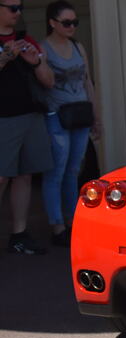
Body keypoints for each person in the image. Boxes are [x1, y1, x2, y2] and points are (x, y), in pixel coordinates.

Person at [41, 0, 99, 247]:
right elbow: (44, 83)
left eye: (75, 22)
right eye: (66, 22)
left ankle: (72, 220)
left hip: (81, 114)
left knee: (74, 169)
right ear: (52, 23)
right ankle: (56, 226)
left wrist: (96, 115)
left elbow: (88, 81)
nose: (72, 26)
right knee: (57, 170)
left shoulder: (78, 46)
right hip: (58, 114)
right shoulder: (43, 48)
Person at [0, 0, 55, 254]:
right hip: (3, 118)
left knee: (25, 174)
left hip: (31, 115)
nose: (18, 13)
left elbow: (49, 81)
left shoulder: (27, 40)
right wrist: (3, 59)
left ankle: (19, 234)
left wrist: (34, 62)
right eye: (12, 8)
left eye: (20, 7)